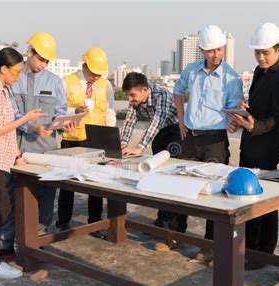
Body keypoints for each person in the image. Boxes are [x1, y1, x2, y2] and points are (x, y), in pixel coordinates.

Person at [154, 25, 243, 267]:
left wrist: (233, 122)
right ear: (202, 50)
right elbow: (177, 92)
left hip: (215, 140)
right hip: (190, 138)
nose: (216, 54)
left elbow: (235, 108)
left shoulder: (231, 77)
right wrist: (181, 121)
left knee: (213, 193)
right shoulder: (191, 71)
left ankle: (210, 246)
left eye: (220, 49)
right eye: (211, 50)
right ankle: (175, 235)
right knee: (180, 186)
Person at [0, 47, 47, 278]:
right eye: (15, 72)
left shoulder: (2, 90)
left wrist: (16, 156)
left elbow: (8, 134)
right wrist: (25, 118)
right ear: (3, 68)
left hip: (0, 160)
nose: (17, 76)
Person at [0, 32, 75, 259]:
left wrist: (65, 124)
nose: (44, 65)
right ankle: (6, 244)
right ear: (29, 53)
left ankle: (38, 241)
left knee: (45, 198)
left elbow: (60, 113)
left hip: (46, 150)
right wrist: (30, 127)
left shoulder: (55, 82)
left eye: (47, 61)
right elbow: (9, 113)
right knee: (12, 198)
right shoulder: (14, 79)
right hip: (17, 149)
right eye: (41, 59)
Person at [227, 22, 279, 270]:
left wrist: (254, 126)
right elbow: (261, 109)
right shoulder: (258, 72)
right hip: (251, 144)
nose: (261, 57)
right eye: (257, 52)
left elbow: (278, 118)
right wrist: (246, 108)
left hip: (266, 147)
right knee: (248, 197)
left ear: (278, 50)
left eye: (265, 52)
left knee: (264, 201)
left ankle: (264, 251)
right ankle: (251, 247)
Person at [55, 47, 115, 239]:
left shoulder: (106, 85)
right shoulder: (67, 82)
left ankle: (95, 223)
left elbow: (110, 112)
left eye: (99, 74)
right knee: (67, 183)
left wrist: (111, 139)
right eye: (93, 73)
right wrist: (74, 109)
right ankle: (63, 222)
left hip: (97, 140)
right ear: (84, 66)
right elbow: (59, 109)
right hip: (72, 139)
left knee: (95, 183)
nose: (95, 77)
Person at [120, 72, 181, 227]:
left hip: (176, 131)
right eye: (127, 95)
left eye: (132, 95)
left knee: (173, 175)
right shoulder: (135, 101)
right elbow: (129, 121)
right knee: (157, 173)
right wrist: (123, 143)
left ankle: (175, 223)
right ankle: (162, 217)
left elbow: (156, 121)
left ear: (144, 90)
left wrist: (139, 147)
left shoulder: (162, 95)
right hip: (160, 133)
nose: (130, 99)